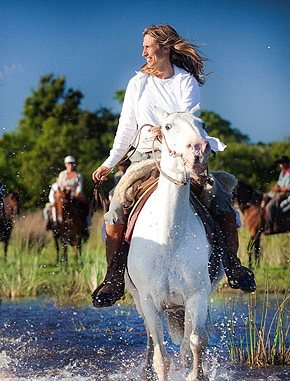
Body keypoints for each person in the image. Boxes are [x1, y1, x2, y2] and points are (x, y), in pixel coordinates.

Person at [91, 24, 255, 308]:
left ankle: (233, 266)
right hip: (144, 157)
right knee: (116, 208)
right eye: (143, 46)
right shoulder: (137, 84)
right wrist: (109, 163)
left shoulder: (185, 81)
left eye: (148, 46)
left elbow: (187, 121)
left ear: (165, 48)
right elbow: (125, 130)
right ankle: (114, 277)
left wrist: (164, 129)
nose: (143, 52)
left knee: (220, 199)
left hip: (182, 158)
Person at [264, 155, 290, 234]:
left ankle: (271, 227)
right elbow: (279, 183)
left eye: (282, 163)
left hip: (286, 194)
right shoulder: (282, 172)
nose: (280, 165)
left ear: (286, 163)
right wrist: (275, 187)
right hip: (280, 192)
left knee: (270, 206)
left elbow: (288, 187)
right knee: (265, 197)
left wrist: (279, 189)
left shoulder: (289, 172)